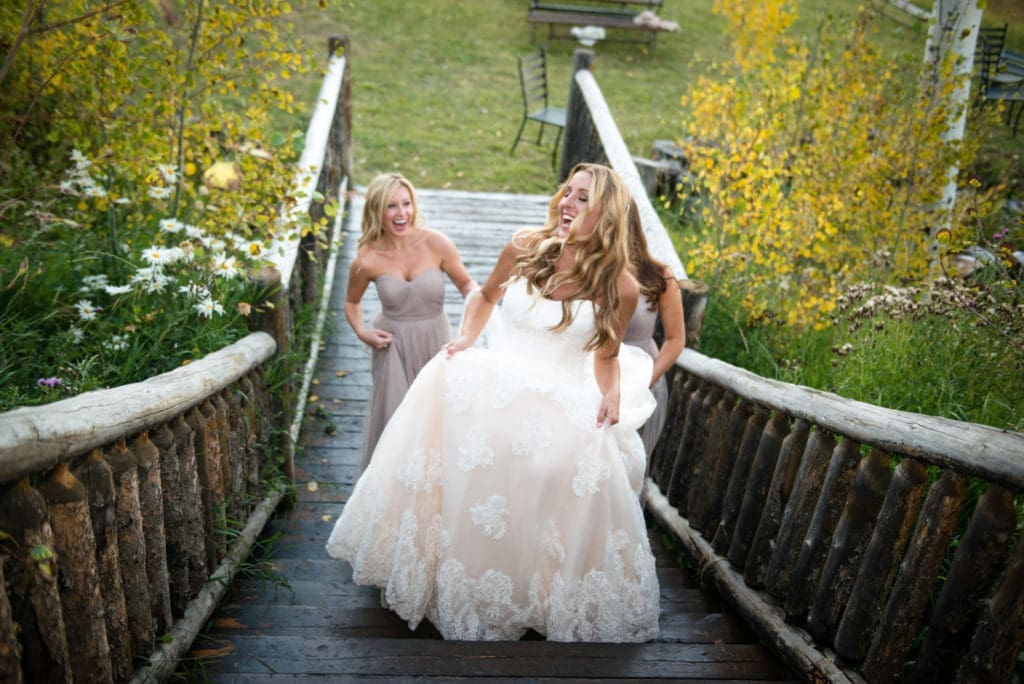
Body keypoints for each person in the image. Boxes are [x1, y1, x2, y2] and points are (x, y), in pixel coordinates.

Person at [326, 163, 661, 642]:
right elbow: (484, 296)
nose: (567, 202)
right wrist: (465, 338)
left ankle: (536, 590)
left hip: (563, 391)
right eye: (568, 192)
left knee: (566, 466)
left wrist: (611, 393)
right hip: (503, 378)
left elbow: (606, 355)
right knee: (454, 408)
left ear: (607, 212)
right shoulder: (525, 245)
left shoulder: (620, 284)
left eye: (582, 198)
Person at [344, 173, 477, 466]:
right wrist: (361, 331)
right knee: (397, 426)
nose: (402, 213)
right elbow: (352, 301)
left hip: (436, 343)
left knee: (436, 421)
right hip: (392, 347)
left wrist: (468, 330)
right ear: (377, 211)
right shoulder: (366, 259)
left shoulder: (437, 244)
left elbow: (468, 286)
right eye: (392, 206)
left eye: (407, 204)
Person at [622, 199, 685, 457]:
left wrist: (646, 379)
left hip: (640, 377)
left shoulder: (659, 276)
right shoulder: (589, 269)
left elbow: (675, 338)